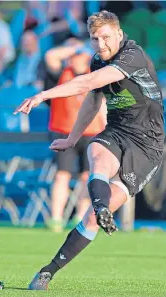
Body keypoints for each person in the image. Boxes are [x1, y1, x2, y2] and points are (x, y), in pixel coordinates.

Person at [14, 10, 165, 290]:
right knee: (96, 154)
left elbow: (88, 83)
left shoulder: (133, 55)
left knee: (92, 220)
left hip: (148, 145)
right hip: (117, 130)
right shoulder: (97, 59)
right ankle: (46, 274)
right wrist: (72, 139)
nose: (101, 45)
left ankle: (90, 220)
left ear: (119, 34)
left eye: (106, 37)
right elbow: (92, 100)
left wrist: (43, 94)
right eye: (95, 39)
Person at [44, 43, 107, 232]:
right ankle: (56, 218)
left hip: (91, 132)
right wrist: (75, 47)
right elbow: (50, 55)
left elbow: (102, 103)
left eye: (81, 55)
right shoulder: (62, 73)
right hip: (64, 131)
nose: (76, 58)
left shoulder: (95, 75)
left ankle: (80, 216)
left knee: (87, 177)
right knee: (62, 175)